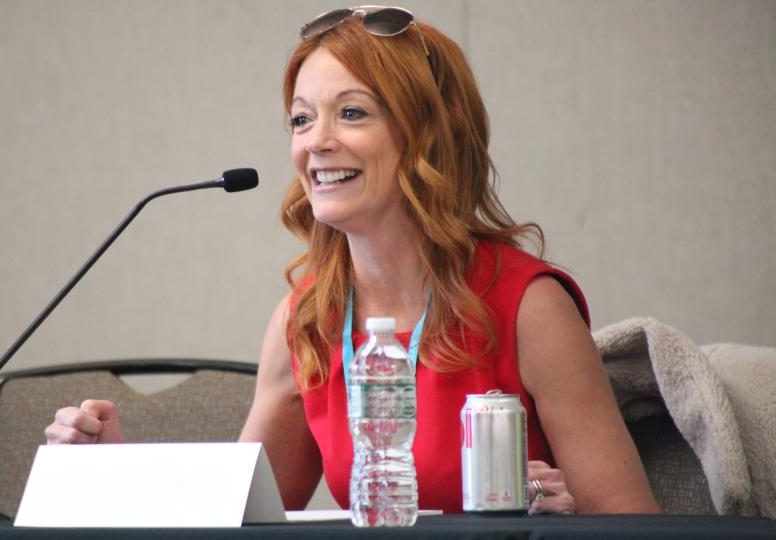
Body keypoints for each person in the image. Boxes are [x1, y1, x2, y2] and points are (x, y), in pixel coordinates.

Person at [45, 6, 660, 515]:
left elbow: (637, 530)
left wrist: (557, 519)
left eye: (352, 112)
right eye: (302, 118)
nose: (316, 141)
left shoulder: (530, 308)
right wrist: (115, 474)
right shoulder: (305, 320)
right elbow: (233, 521)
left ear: (428, 135)